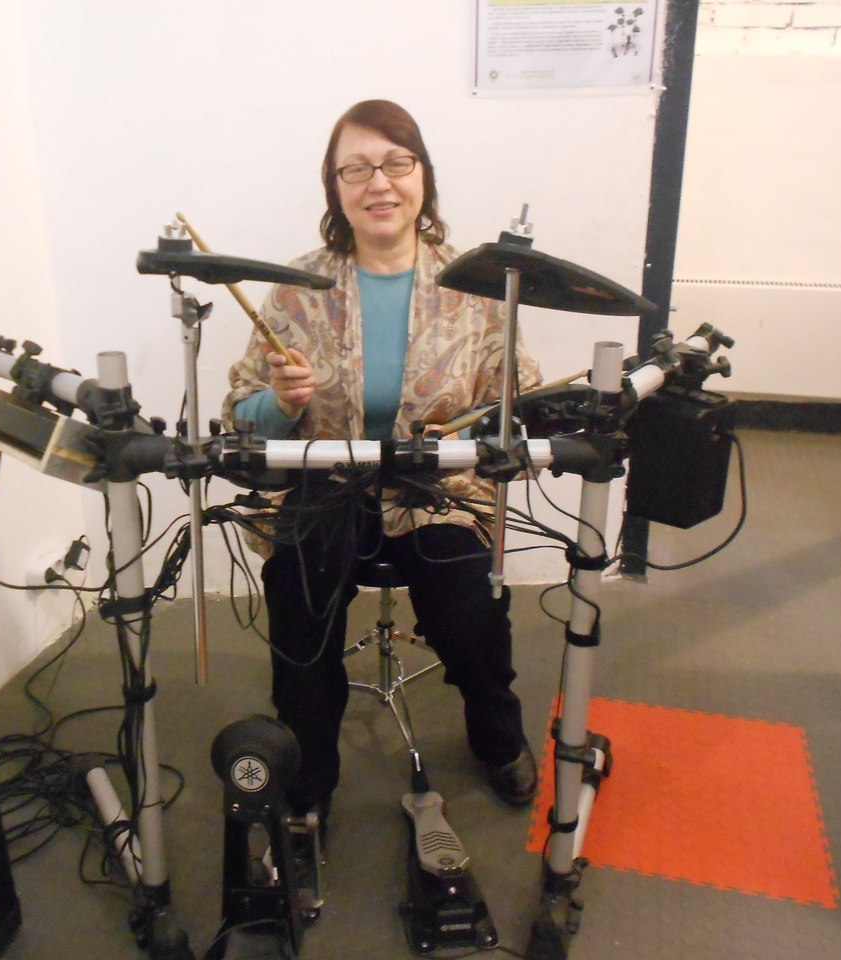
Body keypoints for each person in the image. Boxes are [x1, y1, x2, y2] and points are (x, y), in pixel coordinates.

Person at [222, 99, 541, 828]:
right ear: (334, 187)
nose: (380, 182)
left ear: (423, 176)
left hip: (439, 489)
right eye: (356, 168)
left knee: (470, 615)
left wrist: (495, 436)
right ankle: (308, 776)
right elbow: (241, 414)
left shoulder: (479, 287)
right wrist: (282, 403)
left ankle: (498, 736)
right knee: (299, 610)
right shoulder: (298, 287)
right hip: (328, 487)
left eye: (397, 163)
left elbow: (514, 405)